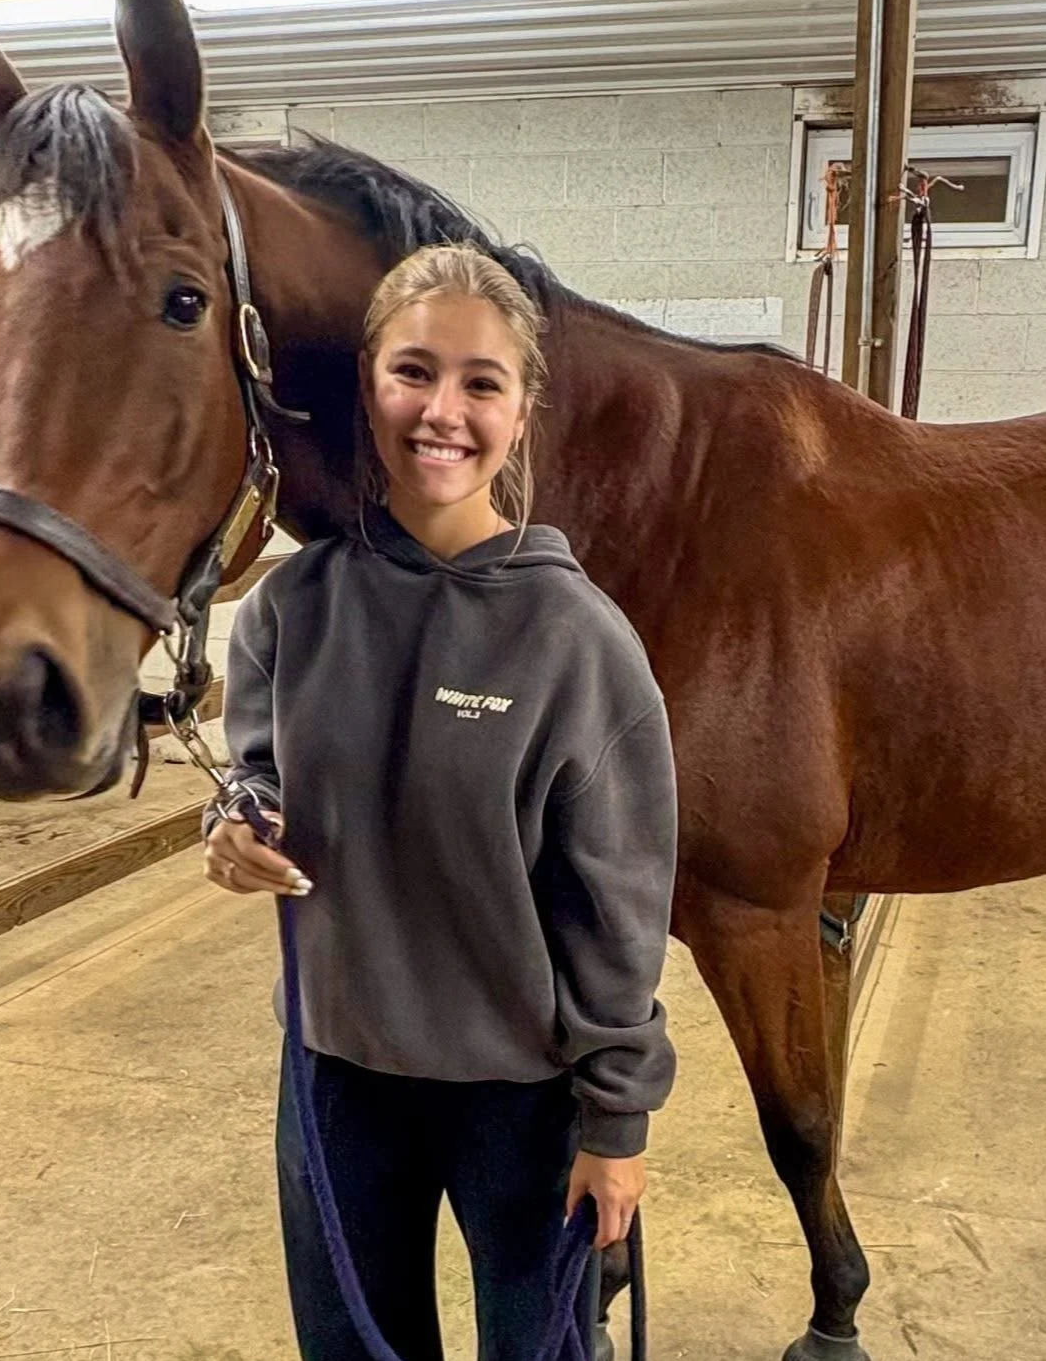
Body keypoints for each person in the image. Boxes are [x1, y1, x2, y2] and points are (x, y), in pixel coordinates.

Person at [202, 244, 677, 1361]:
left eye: (481, 382)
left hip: (519, 1091)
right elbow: (260, 767)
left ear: (521, 411)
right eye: (413, 372)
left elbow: (620, 908)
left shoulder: (578, 642)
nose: (442, 411)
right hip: (333, 1076)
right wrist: (236, 824)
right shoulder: (290, 608)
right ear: (368, 386)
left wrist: (616, 1118)